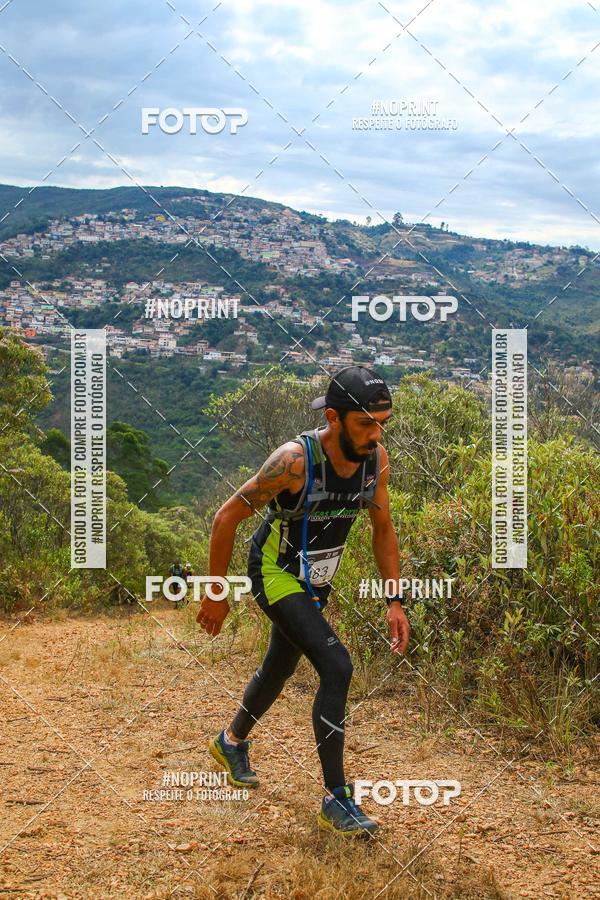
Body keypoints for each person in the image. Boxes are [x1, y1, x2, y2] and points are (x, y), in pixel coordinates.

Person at [197, 366, 410, 836]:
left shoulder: (376, 461)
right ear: (333, 418)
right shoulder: (294, 461)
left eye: (382, 424)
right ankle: (337, 799)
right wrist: (215, 592)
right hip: (274, 573)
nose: (375, 435)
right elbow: (225, 517)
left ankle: (231, 741)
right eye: (364, 424)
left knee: (279, 665)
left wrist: (394, 600)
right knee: (337, 666)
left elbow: (383, 528)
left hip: (317, 582)